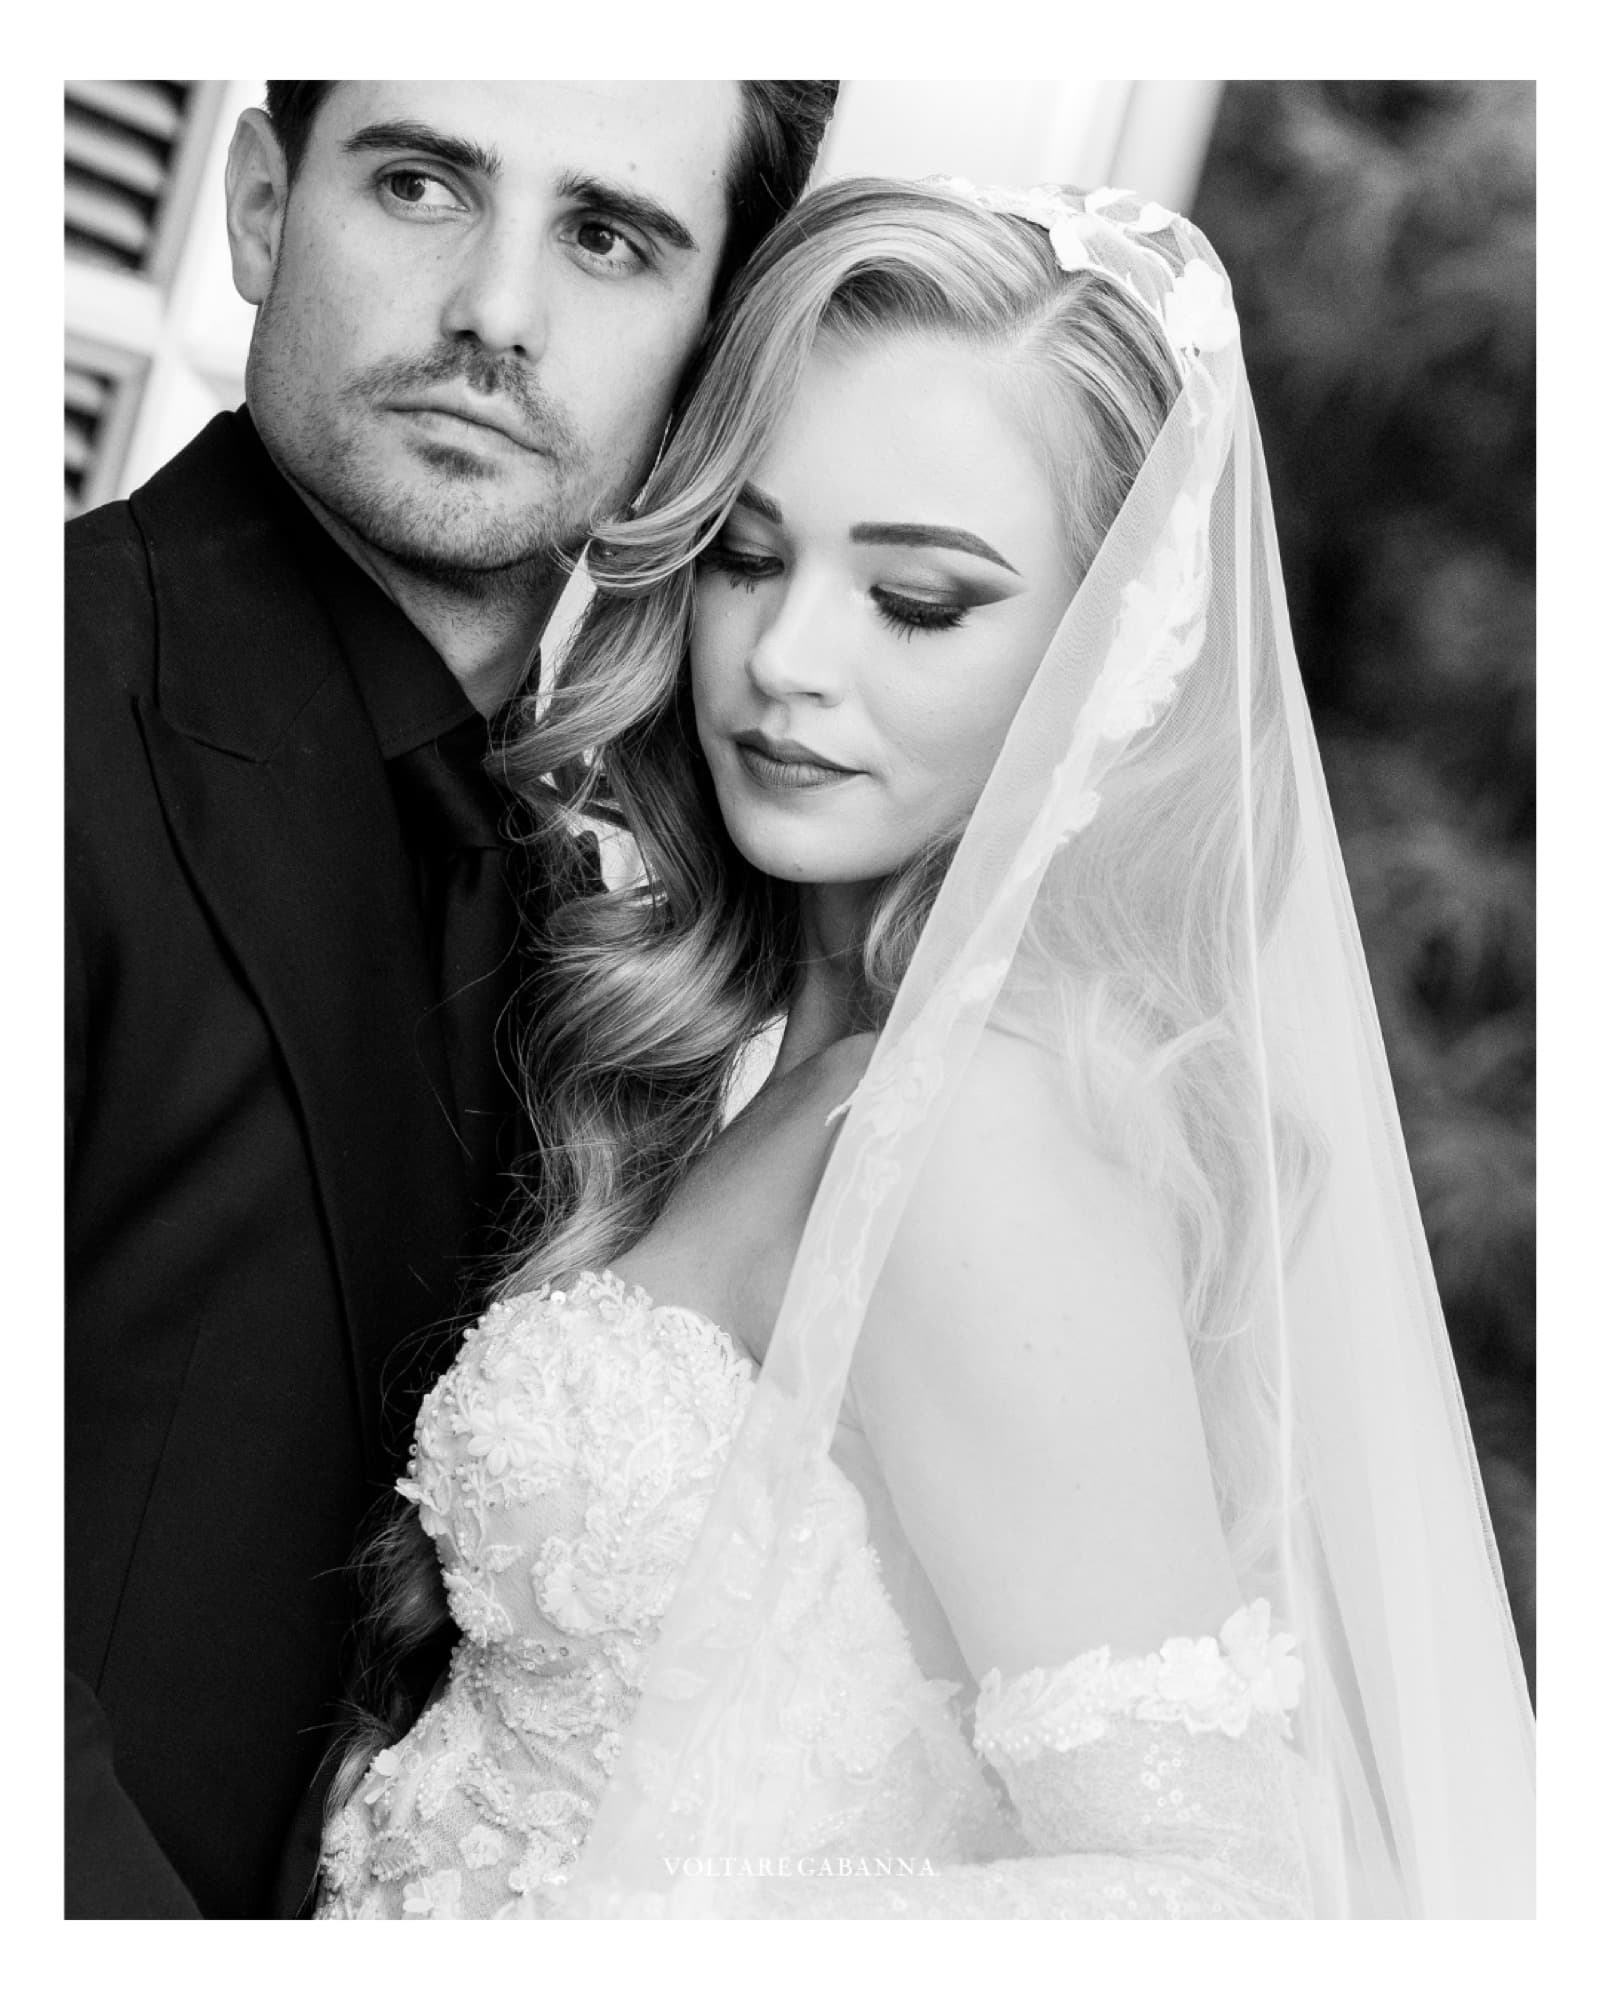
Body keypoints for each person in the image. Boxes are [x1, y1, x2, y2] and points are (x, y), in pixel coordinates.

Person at [314, 177, 1536, 1920]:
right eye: (746, 553)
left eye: (921, 601)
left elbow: (1208, 1895)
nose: (788, 659)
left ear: (1110, 654)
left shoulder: (979, 1134)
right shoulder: (749, 1058)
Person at [64, 78, 839, 1920]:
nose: (498, 310)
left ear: (710, 349)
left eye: (607, 235)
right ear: (258, 206)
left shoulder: (638, 924)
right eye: (419, 182)